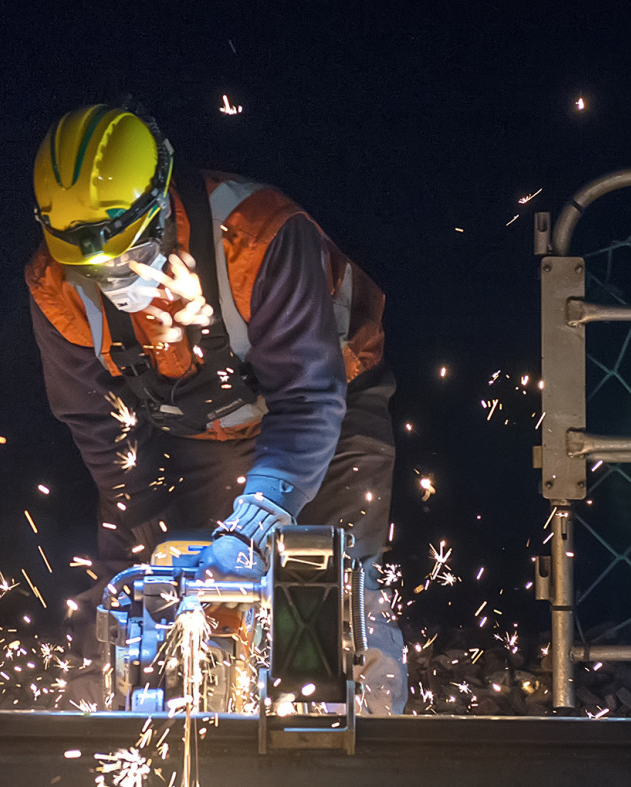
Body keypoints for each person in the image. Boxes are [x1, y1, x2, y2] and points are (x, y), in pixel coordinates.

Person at [25, 103, 406, 714]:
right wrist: (145, 521)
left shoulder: (259, 235)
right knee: (134, 603)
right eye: (93, 266)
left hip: (324, 425)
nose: (113, 277)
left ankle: (346, 760)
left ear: (159, 201)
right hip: (189, 437)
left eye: (125, 253)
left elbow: (307, 397)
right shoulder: (56, 285)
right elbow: (99, 423)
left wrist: (256, 523)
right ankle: (120, 751)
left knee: (315, 595)